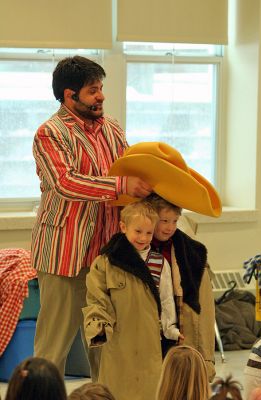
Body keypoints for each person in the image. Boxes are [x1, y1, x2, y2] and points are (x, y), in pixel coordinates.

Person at [31, 55, 152, 378]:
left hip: (106, 257)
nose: (101, 96)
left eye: (100, 89)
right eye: (92, 91)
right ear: (69, 96)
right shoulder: (50, 133)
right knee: (52, 345)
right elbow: (65, 182)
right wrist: (122, 185)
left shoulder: (112, 128)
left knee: (103, 341)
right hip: (64, 255)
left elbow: (127, 171)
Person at [83, 200, 182, 400]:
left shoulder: (159, 262)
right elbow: (96, 297)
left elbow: (166, 300)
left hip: (150, 341)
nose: (143, 238)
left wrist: (171, 328)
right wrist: (98, 326)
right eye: (138, 231)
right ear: (123, 227)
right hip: (117, 339)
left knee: (149, 389)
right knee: (114, 390)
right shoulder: (106, 262)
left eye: (148, 233)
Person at [146, 193, 216, 381]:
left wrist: (206, 358)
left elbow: (204, 310)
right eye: (164, 221)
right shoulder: (138, 247)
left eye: (175, 221)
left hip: (179, 323)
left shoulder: (191, 253)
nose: (170, 227)